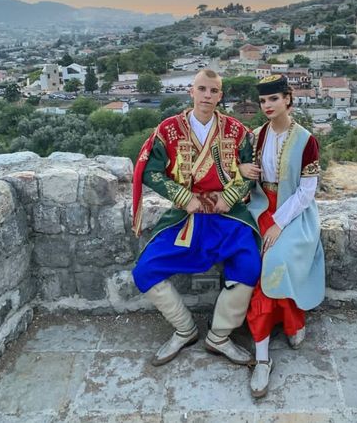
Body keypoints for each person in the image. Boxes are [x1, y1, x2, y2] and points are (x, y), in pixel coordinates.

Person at [131, 69, 261, 367]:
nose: (207, 96)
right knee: (145, 270)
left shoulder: (237, 131)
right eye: (201, 89)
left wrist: (228, 198)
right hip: (185, 217)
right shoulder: (168, 130)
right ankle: (185, 329)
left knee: (250, 266)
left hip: (228, 216)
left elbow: (250, 172)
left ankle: (219, 336)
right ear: (191, 91)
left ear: (220, 95)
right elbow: (150, 171)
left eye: (213, 91)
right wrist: (183, 197)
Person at [239, 74, 325, 398]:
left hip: (293, 213)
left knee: (274, 259)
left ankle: (266, 352)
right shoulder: (256, 136)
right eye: (263, 101)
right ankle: (286, 327)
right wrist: (243, 173)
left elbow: (307, 192)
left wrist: (278, 222)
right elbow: (244, 175)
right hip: (260, 207)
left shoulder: (306, 140)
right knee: (248, 259)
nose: (267, 106)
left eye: (273, 99)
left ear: (288, 99)